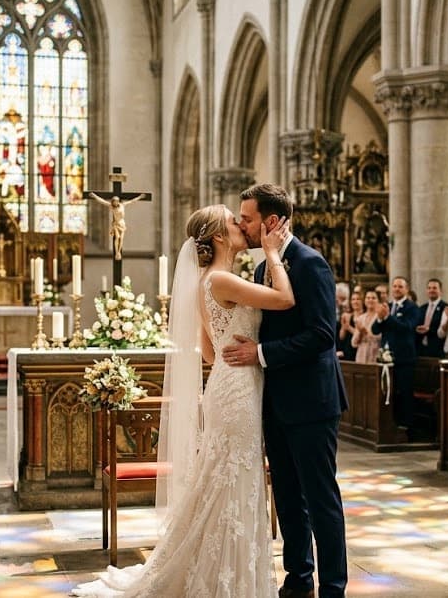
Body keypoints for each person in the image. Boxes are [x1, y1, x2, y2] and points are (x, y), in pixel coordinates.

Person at [73, 204, 293, 596]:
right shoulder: (223, 280)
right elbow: (285, 299)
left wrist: (239, 343)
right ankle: (227, 578)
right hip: (238, 390)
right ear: (220, 237)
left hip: (227, 383)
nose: (241, 225)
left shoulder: (207, 282)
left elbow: (210, 354)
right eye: (233, 221)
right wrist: (272, 253)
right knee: (234, 480)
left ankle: (219, 570)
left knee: (224, 480)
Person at [223, 183, 348, 598]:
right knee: (290, 501)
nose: (242, 224)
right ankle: (299, 579)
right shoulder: (263, 268)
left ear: (271, 221)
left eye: (248, 218)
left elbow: (321, 336)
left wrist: (260, 353)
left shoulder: (311, 264)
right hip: (276, 404)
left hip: (312, 403)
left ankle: (332, 587)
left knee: (321, 499)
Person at [372, 276, 422, 430]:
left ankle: (406, 426)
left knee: (404, 392)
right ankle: (389, 423)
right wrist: (380, 319)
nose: (396, 289)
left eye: (400, 286)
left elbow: (407, 327)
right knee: (388, 392)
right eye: (394, 286)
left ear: (406, 289)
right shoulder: (388, 305)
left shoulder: (412, 307)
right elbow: (375, 330)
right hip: (387, 357)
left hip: (404, 357)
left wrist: (387, 317)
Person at [89, 192, 149, 261]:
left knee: (121, 238)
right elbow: (102, 201)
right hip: (116, 224)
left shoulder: (122, 205)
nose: (115, 202)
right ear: (113, 202)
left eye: (117, 201)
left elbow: (132, 201)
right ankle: (117, 252)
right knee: (117, 237)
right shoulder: (111, 206)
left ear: (118, 201)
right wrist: (94, 196)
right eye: (114, 201)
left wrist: (140, 197)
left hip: (122, 223)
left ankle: (119, 252)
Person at [416, 278, 447, 357]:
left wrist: (429, 330)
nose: (431, 290)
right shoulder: (422, 308)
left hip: (437, 348)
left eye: (434, 288)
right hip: (421, 349)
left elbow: (444, 329)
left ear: (440, 290)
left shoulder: (445, 307)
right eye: (429, 288)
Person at [351, 290, 381, 364]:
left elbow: (380, 338)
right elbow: (353, 343)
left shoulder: (380, 318)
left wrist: (365, 331)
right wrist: (360, 333)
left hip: (375, 355)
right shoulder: (360, 318)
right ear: (364, 301)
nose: (370, 300)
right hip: (361, 356)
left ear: (378, 301)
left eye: (373, 298)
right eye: (368, 298)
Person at [337, 291, 362, 361]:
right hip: (347, 351)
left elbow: (362, 336)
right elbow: (341, 337)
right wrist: (343, 326)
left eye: (358, 299)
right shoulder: (348, 316)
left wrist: (349, 327)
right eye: (353, 299)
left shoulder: (364, 317)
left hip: (359, 350)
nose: (355, 301)